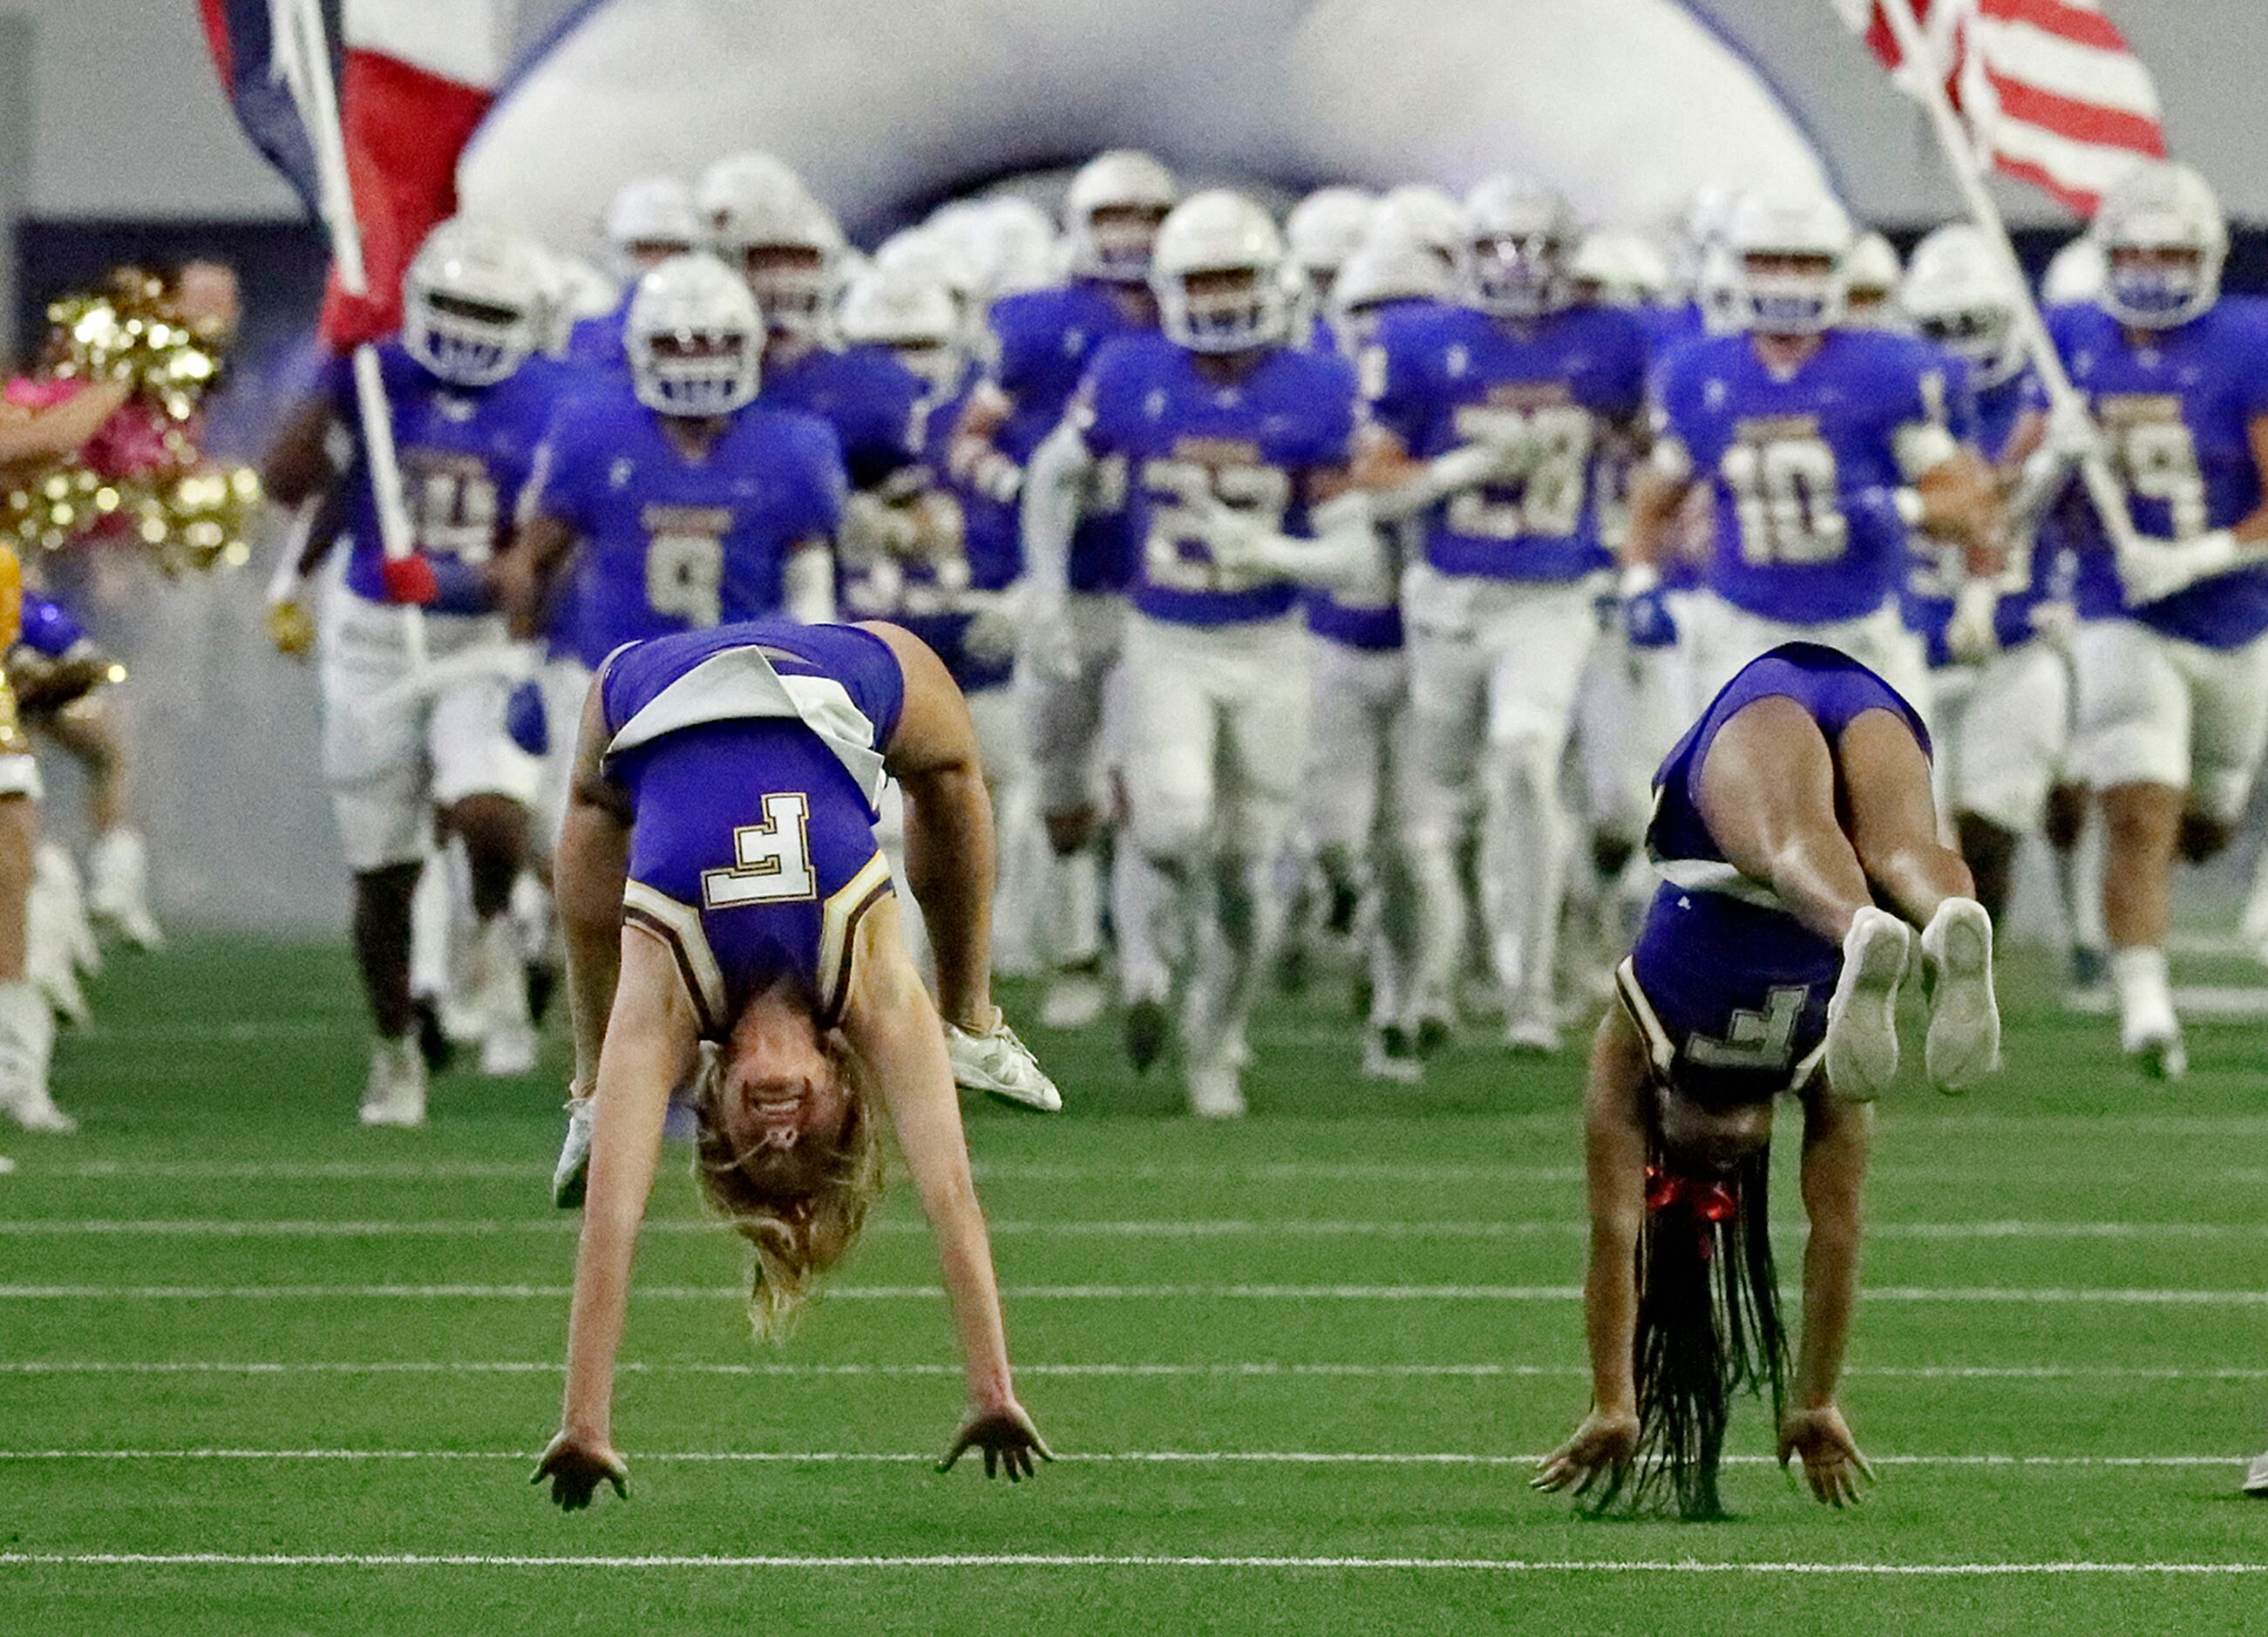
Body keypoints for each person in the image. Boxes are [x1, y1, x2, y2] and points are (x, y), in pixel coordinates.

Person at [531, 616, 1056, 1507]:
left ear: (713, 1106)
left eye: (751, 1142)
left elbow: (610, 1223)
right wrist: (992, 1389)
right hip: (839, 675)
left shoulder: (665, 1002)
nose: (777, 1125)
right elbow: (951, 1199)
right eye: (803, 1138)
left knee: (591, 812)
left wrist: (587, 1420)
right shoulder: (876, 988)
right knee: (956, 773)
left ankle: (590, 1088)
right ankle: (972, 1019)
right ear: (845, 1091)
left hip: (645, 691)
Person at [1532, 642, 1998, 1520]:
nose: (1724, 1159)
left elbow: (1615, 1240)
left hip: (1766, 754)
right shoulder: (1787, 1059)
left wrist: (1615, 1398)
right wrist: (1812, 1394)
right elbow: (1832, 1233)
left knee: (1794, 846)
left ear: (1663, 1129)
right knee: (1898, 844)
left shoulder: (1663, 1054)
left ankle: (1870, 924)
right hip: (1838, 698)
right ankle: (1940, 915)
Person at [1028, 189, 1371, 1116]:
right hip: (1165, 635)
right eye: (1201, 279)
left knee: (1248, 861)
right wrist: (1049, 590)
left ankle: (1215, 1040)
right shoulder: (1132, 370)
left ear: (1271, 282)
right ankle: (1145, 962)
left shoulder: (1315, 385)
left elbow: (1356, 551)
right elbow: (1053, 476)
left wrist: (1278, 553)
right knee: (1173, 824)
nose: (1218, 299)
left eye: (1234, 278)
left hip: (1270, 642)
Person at [261, 217, 560, 1122]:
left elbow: (562, 532)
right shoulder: (376, 373)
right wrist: (331, 372)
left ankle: (486, 935)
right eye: (455, 305)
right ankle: (395, 1047)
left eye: (488, 310)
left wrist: (521, 581)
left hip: (479, 640)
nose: (468, 327)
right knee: (383, 876)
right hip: (377, 636)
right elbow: (290, 480)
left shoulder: (556, 399)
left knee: (491, 818)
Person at [1360, 177, 1652, 1054]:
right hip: (1449, 597)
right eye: (1497, 248)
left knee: (1526, 762)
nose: (1516, 267)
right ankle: (1419, 977)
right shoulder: (1421, 340)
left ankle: (1527, 988)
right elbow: (1371, 484)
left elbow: (1651, 453)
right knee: (1432, 806)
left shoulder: (1610, 341)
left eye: (1534, 247)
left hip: (1552, 593)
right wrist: (1459, 469)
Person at [2013, 162, 2268, 1078]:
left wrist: (2201, 555)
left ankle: (2211, 822)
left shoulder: (2248, 341)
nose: (2154, 269)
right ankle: (2145, 1008)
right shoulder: (2070, 337)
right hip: (2118, 609)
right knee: (2136, 804)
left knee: (2203, 821)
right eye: (2135, 250)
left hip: (2234, 611)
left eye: (2173, 251)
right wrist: (2047, 462)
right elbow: (2007, 501)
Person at [499, 251, 845, 859]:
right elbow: (534, 559)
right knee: (575, 851)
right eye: (678, 344)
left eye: (715, 343)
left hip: (737, 681)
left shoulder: (794, 449)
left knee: (725, 859)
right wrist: (527, 663)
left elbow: (810, 586)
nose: (698, 361)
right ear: (639, 348)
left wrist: (812, 673)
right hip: (610, 677)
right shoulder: (593, 432)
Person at [1624, 188, 2001, 727]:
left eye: (1805, 262)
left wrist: (1902, 509)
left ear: (1838, 270)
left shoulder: (1884, 372)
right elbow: (1655, 496)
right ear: (1736, 269)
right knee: (1738, 804)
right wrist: (1640, 582)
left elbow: (1970, 504)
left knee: (1900, 807)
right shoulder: (1700, 375)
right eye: (1768, 261)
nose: (1785, 279)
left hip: (1863, 630)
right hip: (1743, 632)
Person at [957, 149, 1178, 1036]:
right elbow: (970, 442)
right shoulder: (1040, 325)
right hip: (1056, 589)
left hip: (1157, 589)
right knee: (1060, 789)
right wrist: (1013, 487)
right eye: (1113, 216)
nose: (1130, 236)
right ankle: (1082, 941)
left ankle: (1139, 961)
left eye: (1146, 217)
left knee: (1146, 781)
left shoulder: (1194, 324)